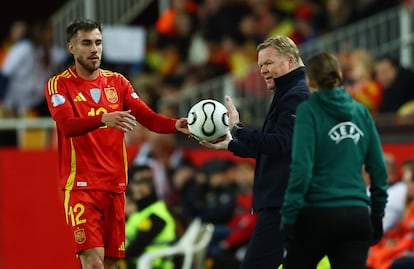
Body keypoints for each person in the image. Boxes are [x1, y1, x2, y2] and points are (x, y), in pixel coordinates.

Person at [44, 19, 189, 269]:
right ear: (72, 48)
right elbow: (67, 126)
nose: (94, 49)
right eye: (86, 43)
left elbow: (147, 117)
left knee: (111, 264)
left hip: (115, 187)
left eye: (98, 43)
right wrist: (103, 118)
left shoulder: (118, 82)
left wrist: (175, 124)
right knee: (93, 261)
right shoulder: (59, 84)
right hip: (81, 187)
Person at [200, 35, 310, 268]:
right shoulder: (289, 93)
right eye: (260, 65)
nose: (262, 70)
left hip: (283, 202)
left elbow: (282, 144)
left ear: (290, 60)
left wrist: (238, 131)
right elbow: (278, 148)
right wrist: (231, 142)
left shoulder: (297, 95)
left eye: (268, 63)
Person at [280, 52, 388, 269]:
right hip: (356, 215)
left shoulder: (308, 111)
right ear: (339, 75)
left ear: (309, 80)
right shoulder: (361, 112)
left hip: (318, 214)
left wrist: (289, 216)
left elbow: (301, 169)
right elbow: (379, 170)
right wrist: (376, 216)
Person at [124, 164, 177, 269]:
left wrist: (114, 255)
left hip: (153, 264)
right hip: (138, 262)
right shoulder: (142, 211)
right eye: (136, 184)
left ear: (150, 187)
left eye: (142, 184)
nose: (137, 188)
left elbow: (137, 247)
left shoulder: (156, 214)